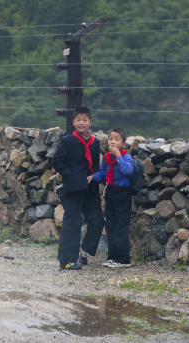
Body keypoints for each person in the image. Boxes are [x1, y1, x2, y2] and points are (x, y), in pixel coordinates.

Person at [51, 107, 105, 270]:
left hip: (90, 188)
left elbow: (95, 163)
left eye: (85, 120)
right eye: (78, 120)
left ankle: (85, 252)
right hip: (73, 187)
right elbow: (56, 161)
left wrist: (94, 175)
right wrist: (70, 174)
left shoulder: (95, 142)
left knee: (97, 221)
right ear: (73, 122)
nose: (82, 123)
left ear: (90, 122)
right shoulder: (68, 140)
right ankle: (66, 261)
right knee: (72, 223)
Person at [87, 128, 134, 268]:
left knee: (121, 226)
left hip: (123, 193)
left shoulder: (126, 157)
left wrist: (118, 156)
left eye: (117, 139)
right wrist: (92, 177)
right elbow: (102, 174)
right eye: (111, 139)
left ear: (123, 144)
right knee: (111, 225)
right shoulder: (107, 157)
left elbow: (127, 171)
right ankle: (112, 257)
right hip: (111, 193)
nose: (112, 142)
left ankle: (123, 259)